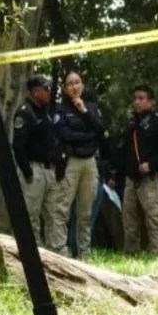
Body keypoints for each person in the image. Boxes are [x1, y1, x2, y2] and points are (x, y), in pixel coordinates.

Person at [47, 70, 106, 259]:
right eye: (70, 83)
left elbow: (101, 130)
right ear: (64, 89)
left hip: (90, 163)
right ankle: (60, 250)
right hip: (70, 162)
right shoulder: (60, 110)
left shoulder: (92, 107)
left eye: (77, 82)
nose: (74, 86)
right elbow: (64, 135)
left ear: (82, 84)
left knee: (85, 212)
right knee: (62, 208)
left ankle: (84, 253)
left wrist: (84, 111)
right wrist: (88, 136)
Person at [110, 84, 158, 255]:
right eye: (135, 98)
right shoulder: (131, 123)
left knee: (153, 218)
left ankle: (157, 253)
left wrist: (151, 164)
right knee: (129, 218)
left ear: (151, 102)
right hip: (131, 178)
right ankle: (131, 251)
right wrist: (116, 174)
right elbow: (124, 151)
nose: (137, 102)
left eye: (141, 98)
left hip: (150, 179)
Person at [12, 74, 59, 245]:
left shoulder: (44, 113)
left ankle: (57, 253)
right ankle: (34, 253)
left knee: (54, 214)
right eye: (46, 89)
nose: (49, 92)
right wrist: (27, 171)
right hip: (34, 171)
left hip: (50, 171)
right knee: (32, 215)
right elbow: (18, 146)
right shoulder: (25, 113)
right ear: (36, 92)